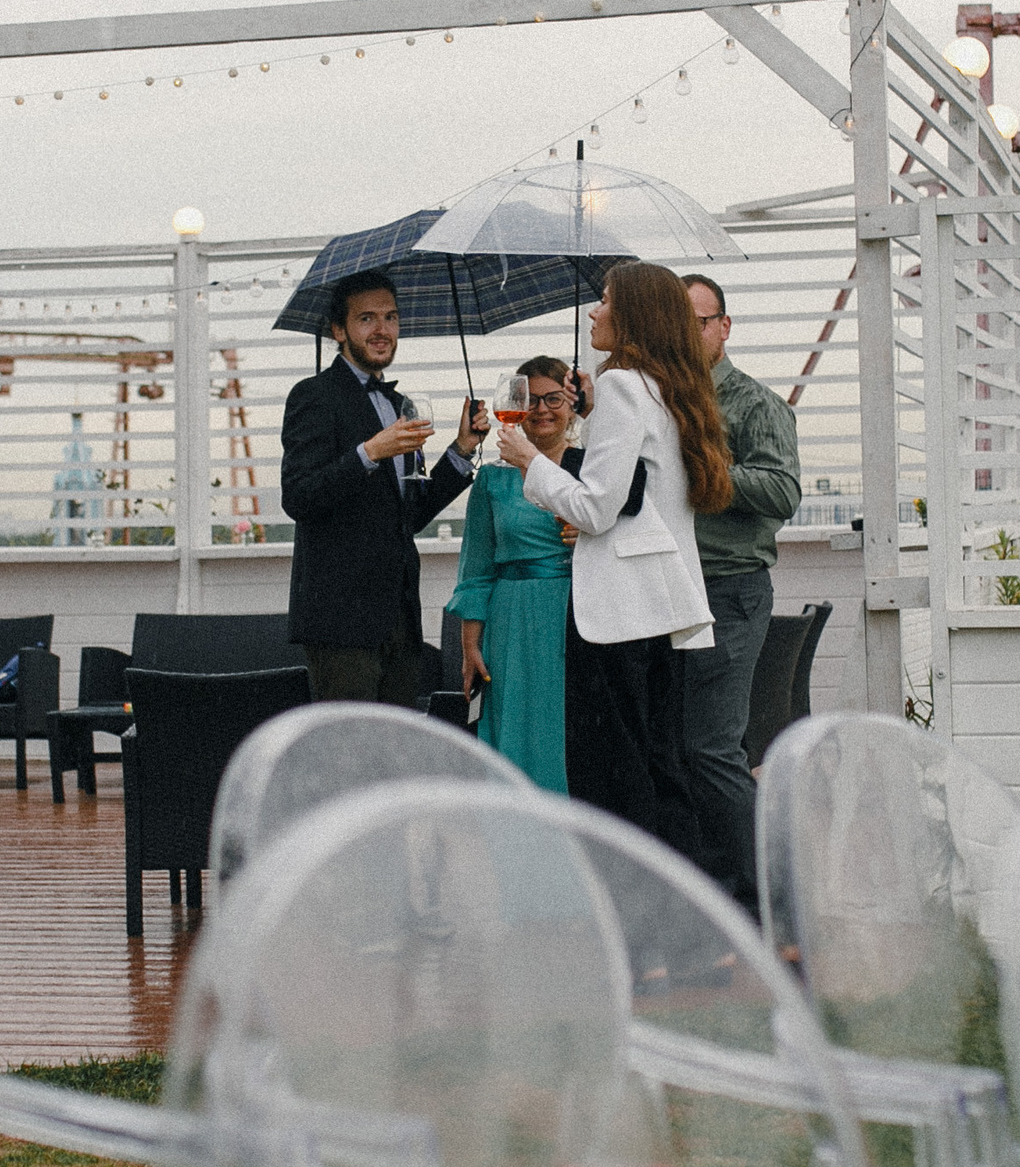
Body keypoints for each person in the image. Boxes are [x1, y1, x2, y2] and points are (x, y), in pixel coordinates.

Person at [497, 262, 732, 865]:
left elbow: (598, 508)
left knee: (614, 781)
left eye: (603, 301)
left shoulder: (627, 385)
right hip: (658, 607)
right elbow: (642, 500)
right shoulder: (667, 388)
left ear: (632, 317)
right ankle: (681, 924)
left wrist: (529, 461)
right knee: (660, 771)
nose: (593, 312)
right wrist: (597, 408)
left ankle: (636, 930)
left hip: (615, 617)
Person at [281, 269, 485, 703]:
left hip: (400, 616)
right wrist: (370, 451)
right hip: (341, 621)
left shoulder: (398, 404)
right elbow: (298, 496)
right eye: (367, 319)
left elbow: (408, 515)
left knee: (397, 751)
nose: (382, 330)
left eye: (391, 318)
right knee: (352, 755)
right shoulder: (313, 395)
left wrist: (461, 449)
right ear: (339, 330)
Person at [676, 273, 802, 910]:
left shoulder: (754, 405)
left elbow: (783, 493)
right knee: (676, 749)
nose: (690, 332)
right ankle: (714, 896)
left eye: (701, 321)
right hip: (670, 595)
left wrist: (708, 470)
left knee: (712, 747)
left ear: (724, 327)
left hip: (730, 592)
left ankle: (779, 892)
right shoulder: (661, 402)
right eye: (679, 320)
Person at [446, 355, 580, 792]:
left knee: (569, 727)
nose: (541, 410)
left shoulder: (593, 468)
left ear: (572, 402)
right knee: (513, 727)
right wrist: (470, 644)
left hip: (576, 614)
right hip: (511, 622)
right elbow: (476, 567)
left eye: (553, 398)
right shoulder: (493, 480)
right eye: (531, 400)